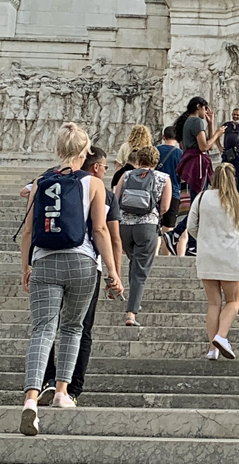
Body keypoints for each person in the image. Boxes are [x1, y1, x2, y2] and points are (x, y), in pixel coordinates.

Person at [19, 124, 124, 435]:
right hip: (81, 261)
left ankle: (30, 399)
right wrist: (113, 270)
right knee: (72, 327)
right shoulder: (93, 183)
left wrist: (25, 267)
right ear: (85, 151)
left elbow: (28, 231)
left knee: (42, 330)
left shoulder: (39, 183)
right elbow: (101, 230)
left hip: (44, 261)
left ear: (57, 149)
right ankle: (63, 391)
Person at [37, 147, 123, 407]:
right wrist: (114, 272)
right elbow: (110, 235)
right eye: (105, 166)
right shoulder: (102, 191)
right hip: (87, 263)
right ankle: (71, 389)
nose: (105, 170)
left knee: (47, 326)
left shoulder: (51, 179)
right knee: (80, 328)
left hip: (47, 258)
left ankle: (47, 380)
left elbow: (26, 192)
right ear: (95, 166)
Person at [186, 161, 239, 361]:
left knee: (213, 303)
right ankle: (221, 335)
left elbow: (191, 226)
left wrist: (204, 239)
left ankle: (213, 349)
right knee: (233, 301)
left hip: (207, 256)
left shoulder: (201, 198)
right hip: (230, 256)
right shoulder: (238, 201)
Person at [117, 144, 171, 328]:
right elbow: (165, 207)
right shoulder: (163, 178)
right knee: (140, 270)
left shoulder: (126, 175)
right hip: (147, 227)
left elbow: (116, 199)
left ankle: (133, 297)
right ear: (156, 161)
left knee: (134, 262)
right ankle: (131, 313)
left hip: (125, 227)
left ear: (138, 159)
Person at [172, 99, 224, 256]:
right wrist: (218, 133)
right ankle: (176, 234)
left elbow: (210, 146)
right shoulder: (195, 121)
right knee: (199, 205)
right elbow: (204, 147)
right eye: (205, 108)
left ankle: (192, 244)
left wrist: (211, 124)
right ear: (198, 107)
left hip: (195, 163)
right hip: (198, 164)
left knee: (198, 204)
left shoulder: (191, 121)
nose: (206, 111)